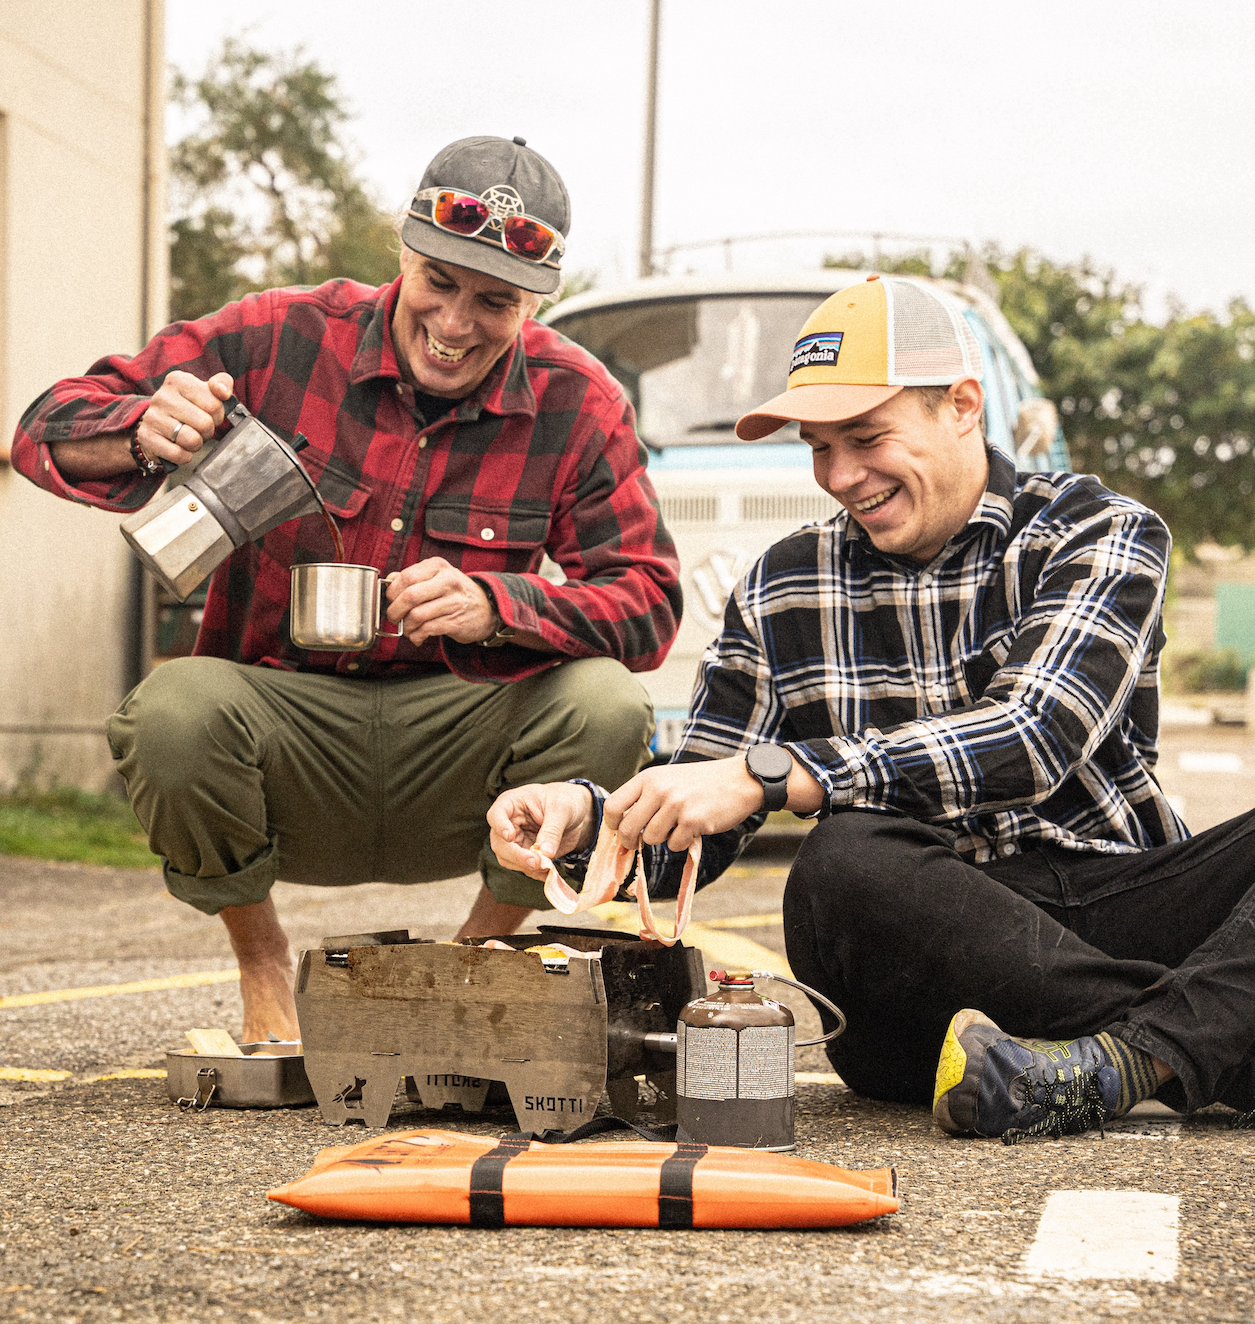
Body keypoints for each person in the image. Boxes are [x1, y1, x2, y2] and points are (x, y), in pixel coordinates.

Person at [488, 273, 1255, 1144]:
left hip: (1119, 900)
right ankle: (1208, 1035)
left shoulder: (1097, 531)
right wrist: (588, 817)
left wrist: (782, 774)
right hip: (920, 959)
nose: (842, 476)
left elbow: (1036, 736)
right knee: (843, 866)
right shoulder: (781, 584)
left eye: (866, 436)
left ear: (962, 406)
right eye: (818, 445)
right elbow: (695, 811)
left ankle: (1117, 1065)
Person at [12, 135, 681, 1044]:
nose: (455, 322)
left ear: (535, 303)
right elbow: (42, 431)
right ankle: (263, 969)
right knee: (171, 709)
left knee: (607, 704)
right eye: (439, 281)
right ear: (403, 255)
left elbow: (648, 602)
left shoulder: (580, 401)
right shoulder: (281, 335)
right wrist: (142, 428)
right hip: (289, 738)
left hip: (460, 744)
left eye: (495, 302)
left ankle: (474, 965)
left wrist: (501, 606)